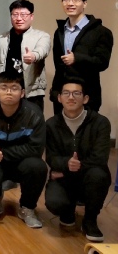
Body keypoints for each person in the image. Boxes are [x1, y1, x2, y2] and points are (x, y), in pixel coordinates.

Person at [0, 71, 47, 229]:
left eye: (14, 88)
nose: (9, 92)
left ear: (22, 93)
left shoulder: (34, 114)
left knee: (38, 167)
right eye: (4, 87)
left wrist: (3, 153)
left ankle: (27, 208)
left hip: (21, 163)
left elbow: (36, 148)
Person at [45, 77, 112, 243]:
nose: (71, 97)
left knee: (99, 174)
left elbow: (100, 158)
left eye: (76, 93)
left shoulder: (100, 123)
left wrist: (73, 167)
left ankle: (90, 220)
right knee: (54, 202)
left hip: (88, 176)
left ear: (85, 98)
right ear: (59, 98)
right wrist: (66, 164)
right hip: (65, 179)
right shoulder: (51, 124)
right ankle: (67, 211)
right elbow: (51, 158)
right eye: (66, 93)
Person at [50, 0, 113, 114]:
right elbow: (58, 66)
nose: (70, 3)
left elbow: (102, 62)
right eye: (66, 0)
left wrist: (77, 58)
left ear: (85, 3)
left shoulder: (101, 32)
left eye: (76, 0)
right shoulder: (59, 32)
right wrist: (55, 92)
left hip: (87, 95)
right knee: (59, 127)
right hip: (62, 96)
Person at [0, 0, 51, 111]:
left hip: (31, 92)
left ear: (31, 16)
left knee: (32, 121)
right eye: (15, 15)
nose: (19, 18)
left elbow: (42, 50)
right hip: (6, 91)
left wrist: (33, 56)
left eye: (23, 15)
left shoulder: (42, 36)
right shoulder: (2, 38)